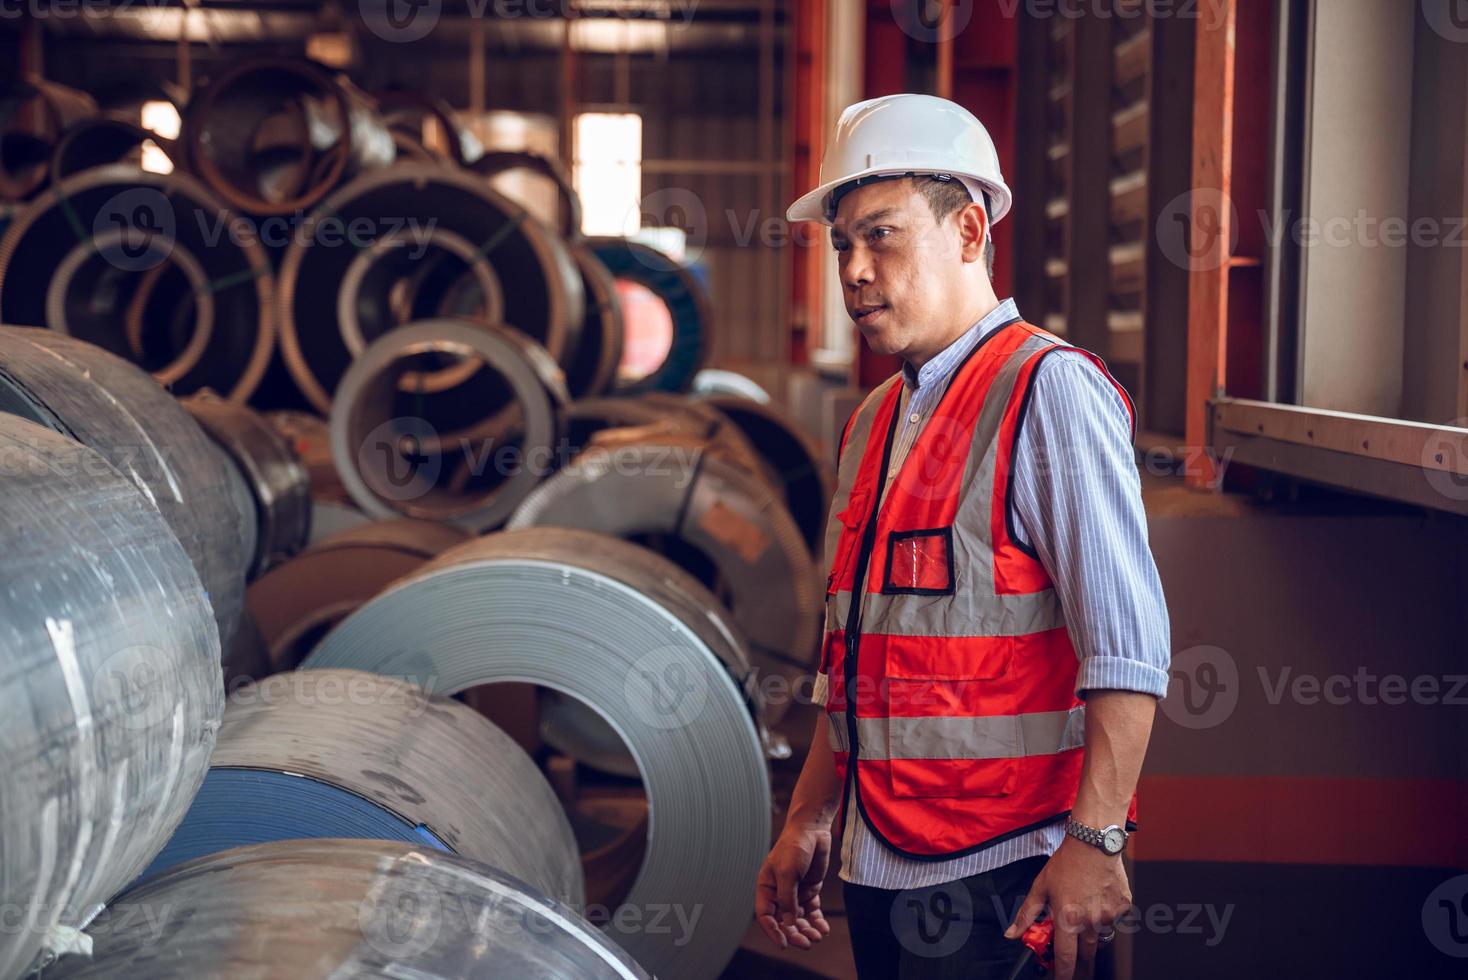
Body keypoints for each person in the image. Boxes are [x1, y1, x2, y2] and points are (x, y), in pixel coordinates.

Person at [754, 93, 1172, 980]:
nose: (855, 271)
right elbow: (857, 650)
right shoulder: (873, 421)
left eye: (883, 235)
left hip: (1007, 876)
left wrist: (1096, 842)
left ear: (971, 231)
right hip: (880, 863)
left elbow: (1127, 652)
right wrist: (811, 815)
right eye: (842, 245)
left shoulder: (1048, 392)